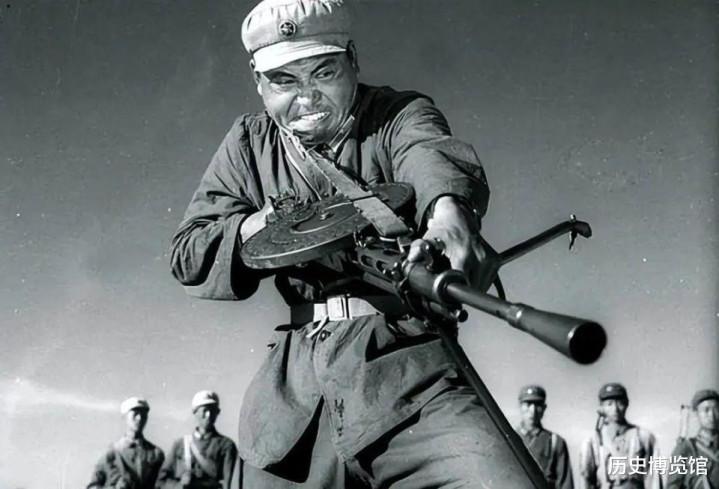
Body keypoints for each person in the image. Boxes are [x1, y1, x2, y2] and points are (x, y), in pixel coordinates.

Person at [170, 0, 536, 486]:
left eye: (323, 72)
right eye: (283, 81)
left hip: (410, 378)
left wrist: (448, 217)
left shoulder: (396, 114)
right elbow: (189, 253)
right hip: (292, 410)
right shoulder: (247, 143)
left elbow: (429, 157)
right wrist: (265, 225)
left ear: (353, 59)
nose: (307, 97)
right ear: (258, 82)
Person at [578, 383, 662, 489]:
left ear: (627, 404)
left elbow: (653, 478)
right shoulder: (593, 440)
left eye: (620, 403)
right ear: (602, 407)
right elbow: (585, 479)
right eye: (609, 404)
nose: (615, 409)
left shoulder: (644, 437)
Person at [157, 391, 238, 489]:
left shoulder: (226, 445)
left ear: (217, 413)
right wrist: (179, 485)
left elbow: (230, 483)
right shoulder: (179, 445)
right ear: (195, 413)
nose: (208, 415)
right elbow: (160, 482)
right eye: (205, 410)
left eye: (213, 410)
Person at [87, 397, 164, 489]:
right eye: (135, 414)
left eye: (143, 415)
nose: (139, 418)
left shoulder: (156, 454)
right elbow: (93, 485)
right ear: (125, 416)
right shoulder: (111, 453)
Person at [516, 385, 574, 489]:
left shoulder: (555, 442)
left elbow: (565, 484)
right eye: (528, 404)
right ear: (520, 406)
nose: (533, 410)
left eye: (538, 405)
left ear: (544, 408)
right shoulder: (508, 438)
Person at [666, 389, 719, 489]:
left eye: (716, 409)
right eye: (706, 410)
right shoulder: (685, 449)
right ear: (696, 414)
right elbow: (673, 485)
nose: (712, 415)